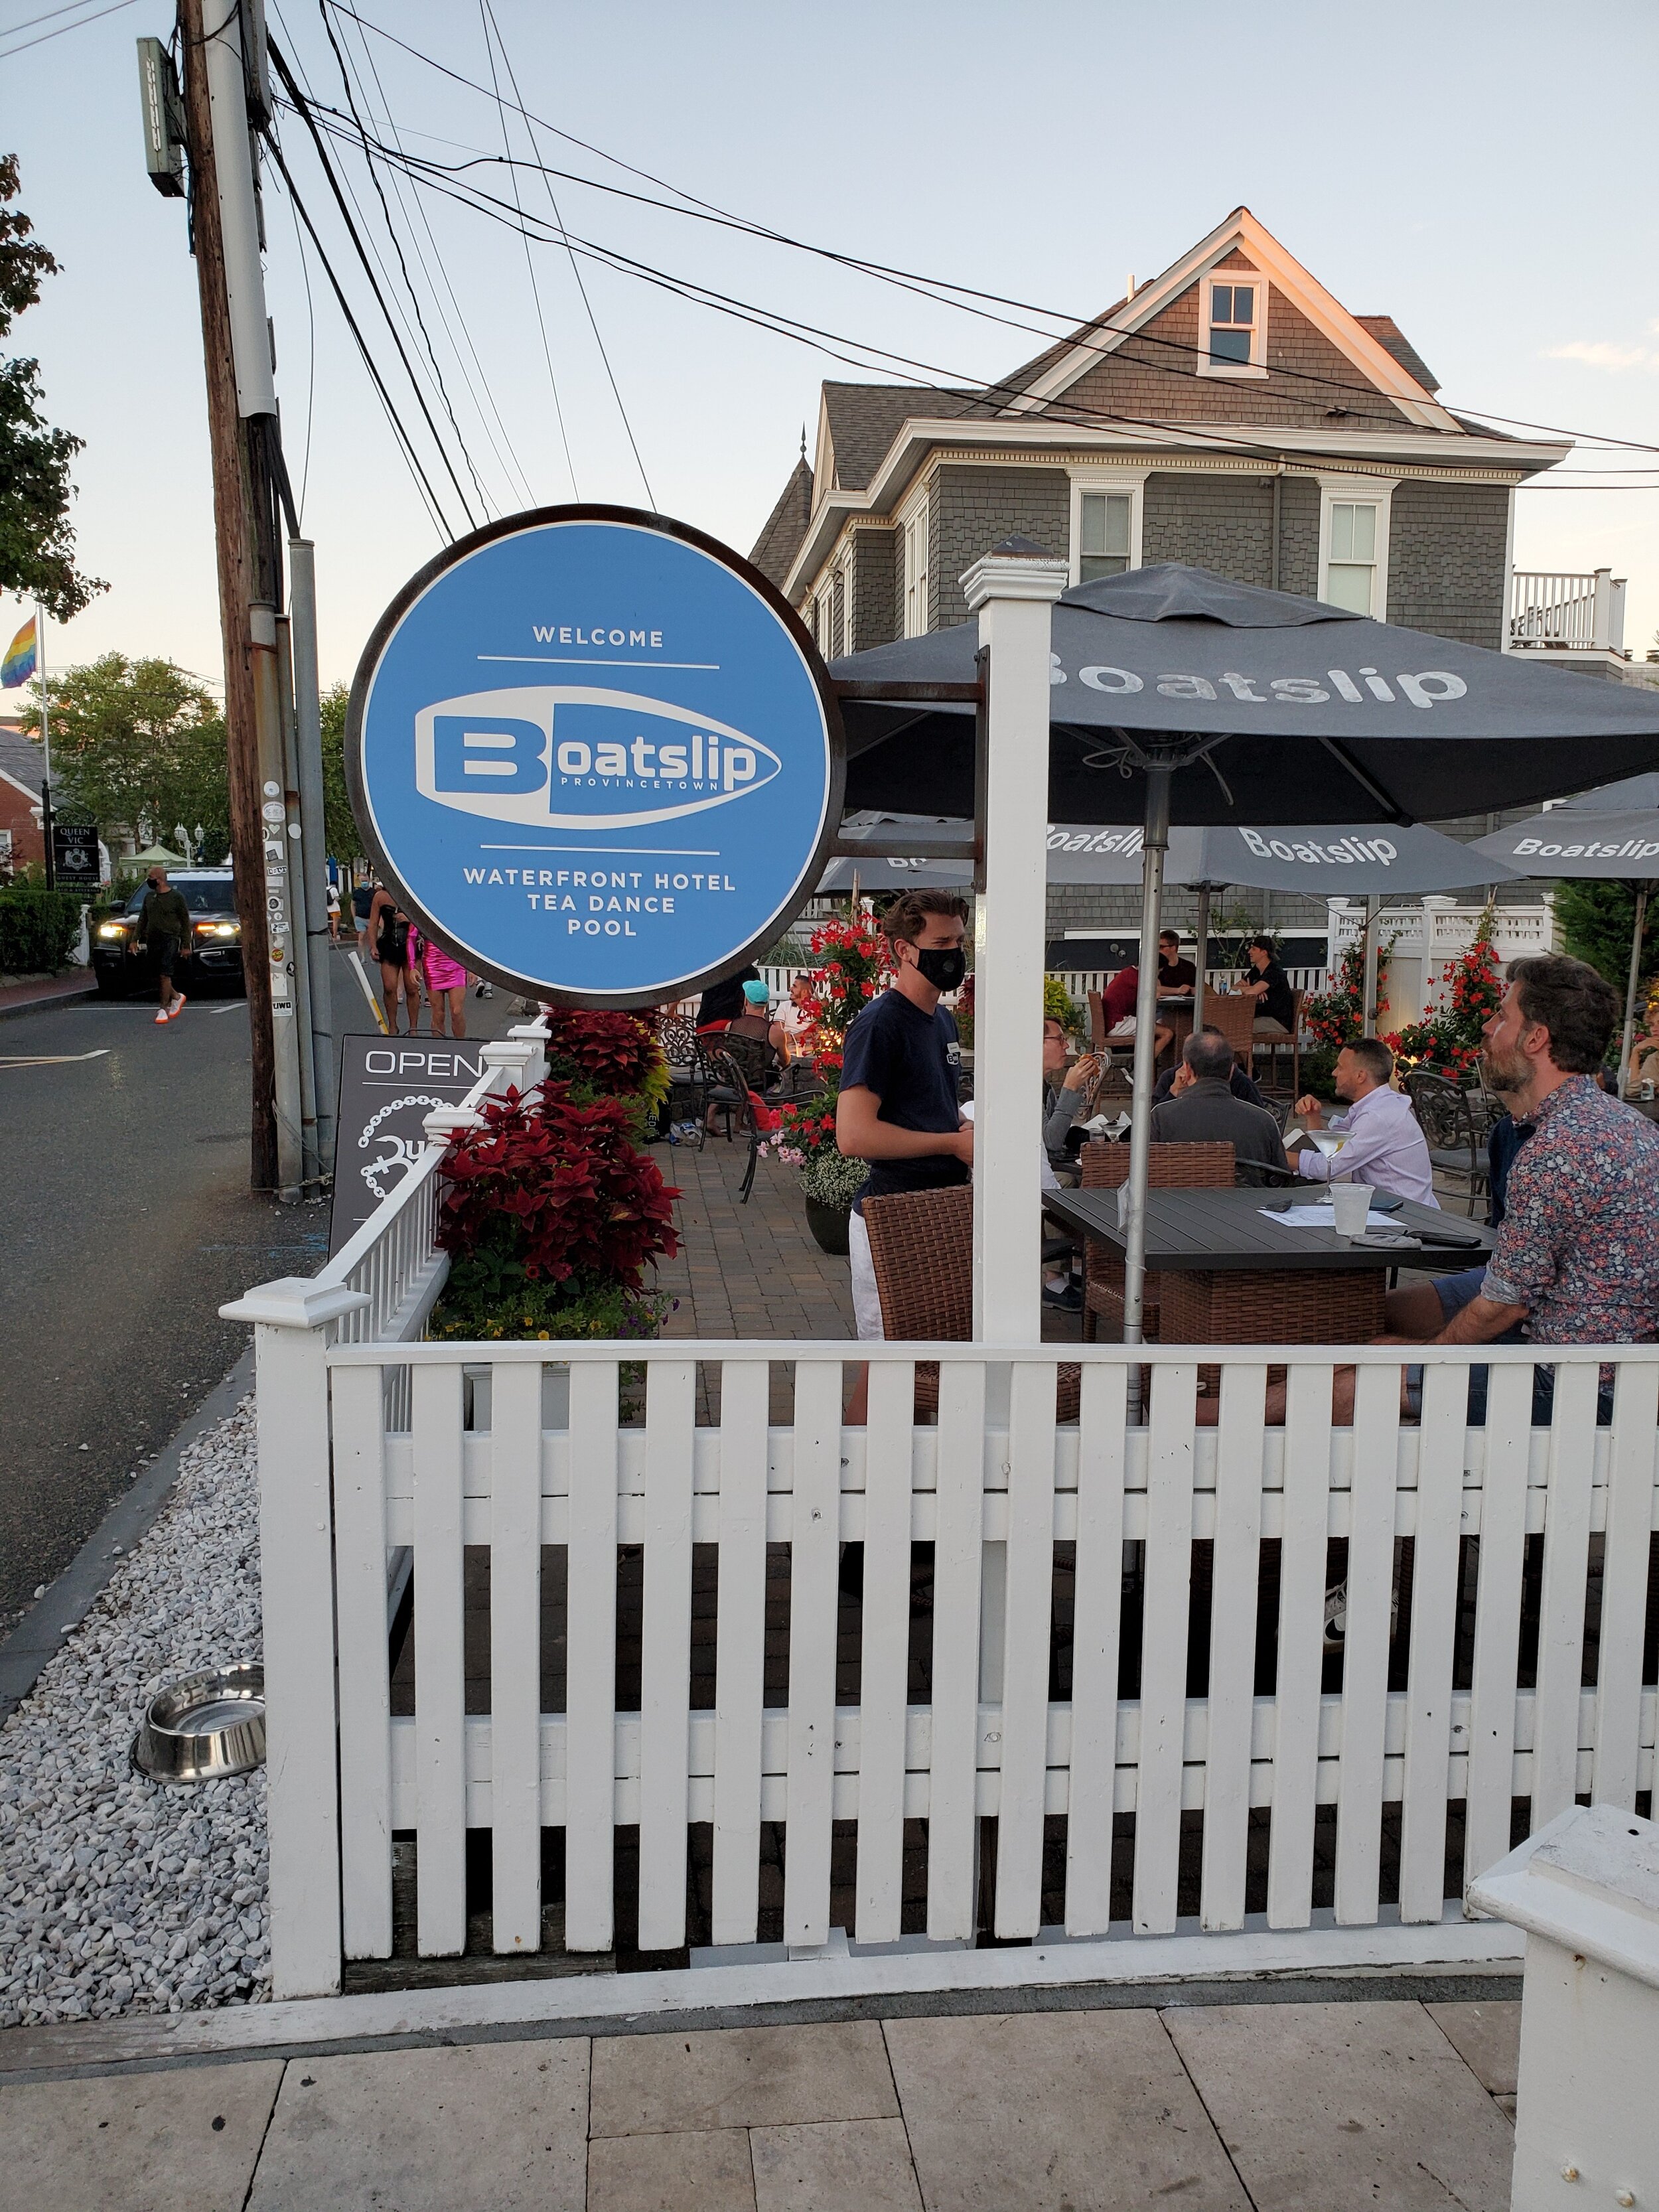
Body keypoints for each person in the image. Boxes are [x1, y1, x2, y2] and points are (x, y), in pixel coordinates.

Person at [835, 891, 974, 1397]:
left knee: (930, 1367)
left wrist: (959, 1124)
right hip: (891, 1213)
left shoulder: (943, 1020)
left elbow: (929, 1099)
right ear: (903, 950)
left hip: (941, 1209)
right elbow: (853, 1135)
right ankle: (863, 1475)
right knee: (886, 1368)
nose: (954, 953)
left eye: (959, 941)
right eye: (941, 942)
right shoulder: (880, 1024)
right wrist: (952, 1144)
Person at [1291, 1037, 1438, 1207]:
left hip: (1404, 1215)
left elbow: (1326, 1168)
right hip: (1385, 1206)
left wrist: (1275, 1154)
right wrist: (1313, 1116)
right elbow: (1330, 1149)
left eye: (1340, 1067)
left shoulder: (1378, 1116)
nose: (1334, 1073)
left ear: (1360, 1076)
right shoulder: (1375, 1105)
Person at [1149, 1029, 1291, 1186]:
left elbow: (1145, 1173)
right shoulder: (1265, 1121)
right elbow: (1281, 1180)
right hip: (1246, 1206)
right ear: (1231, 1071)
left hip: (1176, 1206)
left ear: (1187, 1070)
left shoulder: (1161, 1117)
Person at [136, 864, 191, 1025]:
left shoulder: (176, 897)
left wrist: (186, 945)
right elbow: (142, 919)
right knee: (156, 974)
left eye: (151, 878)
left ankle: (163, 1009)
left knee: (165, 974)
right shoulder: (149, 898)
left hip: (171, 939)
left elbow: (185, 922)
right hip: (153, 940)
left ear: (160, 880)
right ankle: (176, 996)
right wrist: (135, 939)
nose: (149, 881)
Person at [1041, 1015, 1100, 1161]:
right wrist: (1070, 1088)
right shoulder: (1024, 1089)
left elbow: (1059, 1134)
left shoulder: (1045, 1088)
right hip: (1031, 1176)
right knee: (1070, 1180)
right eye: (1060, 1039)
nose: (1066, 1046)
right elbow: (1052, 1142)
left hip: (1046, 1167)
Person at [1152, 1033, 1265, 1107]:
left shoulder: (1241, 1083)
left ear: (1187, 1067)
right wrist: (1172, 1093)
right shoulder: (1171, 1078)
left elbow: (1149, 1127)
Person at [367, 883, 422, 1035]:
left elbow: (425, 920)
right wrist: (373, 946)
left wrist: (409, 919)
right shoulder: (380, 897)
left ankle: (413, 1027)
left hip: (410, 944)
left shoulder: (413, 891)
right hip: (389, 944)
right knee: (389, 987)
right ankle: (393, 1025)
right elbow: (372, 924)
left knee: (412, 988)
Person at [1098, 962, 1173, 1060]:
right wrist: (1179, 990)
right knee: (1167, 1033)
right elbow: (1156, 992)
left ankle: (1141, 1066)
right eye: (1159, 972)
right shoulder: (1135, 977)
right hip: (1118, 1024)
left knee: (1158, 1026)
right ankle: (1139, 1069)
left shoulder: (1128, 973)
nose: (1159, 975)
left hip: (1112, 1022)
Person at [1236, 934, 1296, 1031]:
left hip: (1277, 1022)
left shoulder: (1274, 972)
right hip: (1263, 1018)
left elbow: (1249, 993)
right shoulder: (1256, 970)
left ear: (1264, 952)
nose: (1249, 952)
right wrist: (1254, 989)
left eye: (1254, 949)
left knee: (1239, 1027)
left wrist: (1252, 989)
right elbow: (1234, 988)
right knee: (1236, 1024)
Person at [419, 933, 469, 1039]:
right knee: (438, 1013)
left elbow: (469, 938)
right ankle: (439, 1046)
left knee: (457, 1011)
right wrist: (412, 966)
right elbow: (411, 935)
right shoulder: (429, 916)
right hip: (433, 964)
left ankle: (461, 1044)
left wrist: (473, 967)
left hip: (456, 961)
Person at [696, 965, 760, 1031]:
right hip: (731, 1026)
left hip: (705, 1025)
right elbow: (755, 999)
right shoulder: (749, 972)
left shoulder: (712, 968)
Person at [1626, 998, 1659, 1094]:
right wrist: (1636, 1052)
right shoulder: (1654, 1059)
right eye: (1651, 1025)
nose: (1655, 1029)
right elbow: (1633, 1091)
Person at [1157, 928, 1197, 998]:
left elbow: (1198, 987)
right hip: (1161, 1007)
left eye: (1161, 947)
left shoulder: (1189, 967)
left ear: (1173, 948)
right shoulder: (1155, 966)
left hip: (1186, 1007)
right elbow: (1154, 988)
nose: (1157, 950)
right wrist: (1178, 990)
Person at [325, 875, 341, 946]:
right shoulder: (334, 889)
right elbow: (337, 898)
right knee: (336, 922)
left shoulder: (325, 888)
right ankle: (334, 936)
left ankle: (331, 935)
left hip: (328, 908)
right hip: (335, 908)